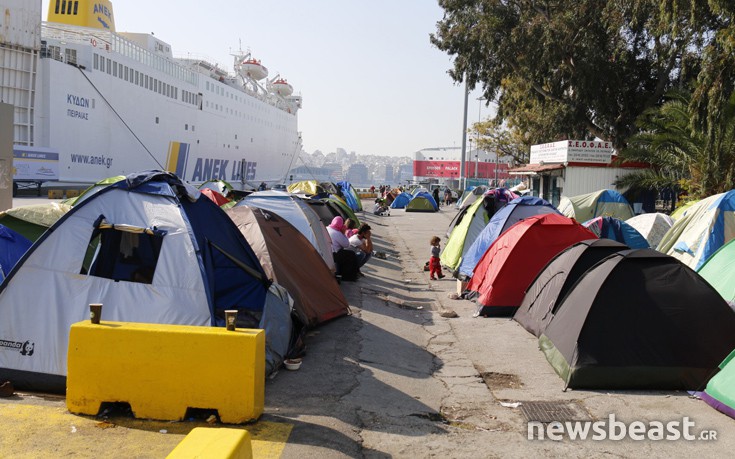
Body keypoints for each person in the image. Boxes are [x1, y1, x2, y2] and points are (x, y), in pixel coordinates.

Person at [326, 216, 358, 281]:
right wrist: (343, 233)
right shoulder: (337, 233)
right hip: (333, 254)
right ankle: (347, 276)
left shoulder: (327, 228)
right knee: (351, 254)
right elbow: (346, 244)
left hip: (325, 251)